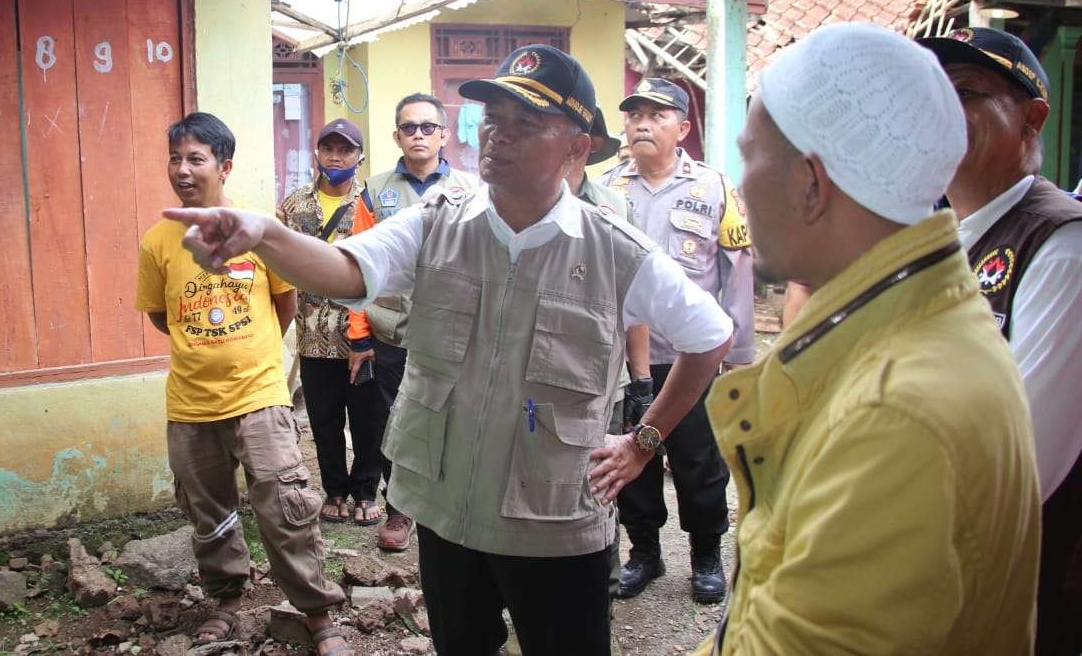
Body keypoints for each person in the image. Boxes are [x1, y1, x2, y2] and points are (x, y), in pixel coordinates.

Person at [163, 45, 735, 656]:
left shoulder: (613, 249)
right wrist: (268, 235)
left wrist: (645, 441)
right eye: (492, 120)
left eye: (524, 124)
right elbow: (345, 270)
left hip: (552, 520)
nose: (498, 136)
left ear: (577, 145)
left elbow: (711, 337)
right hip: (447, 510)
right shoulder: (439, 220)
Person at [695, 23, 1039, 655]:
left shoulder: (893, 411)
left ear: (811, 184)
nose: (739, 187)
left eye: (749, 157)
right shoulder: (910, 330)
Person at [135, 112, 349, 655]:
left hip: (258, 396)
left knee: (286, 505)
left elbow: (286, 302)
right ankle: (226, 601)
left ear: (223, 166)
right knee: (209, 513)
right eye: (175, 158)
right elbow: (163, 316)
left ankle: (320, 614)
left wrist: (248, 353)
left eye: (195, 158)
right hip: (190, 403)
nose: (182, 170)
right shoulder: (157, 241)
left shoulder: (254, 231)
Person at [916, 26, 1082, 655]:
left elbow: (1018, 468)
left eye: (966, 91)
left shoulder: (1060, 245)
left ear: (1031, 118)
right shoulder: (939, 241)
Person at [599, 78, 755, 603]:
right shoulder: (606, 189)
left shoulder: (714, 187)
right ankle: (645, 551)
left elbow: (737, 271)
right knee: (629, 455)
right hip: (625, 360)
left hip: (694, 357)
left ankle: (706, 553)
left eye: (657, 115)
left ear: (683, 128)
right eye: (635, 113)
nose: (642, 123)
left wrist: (739, 353)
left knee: (697, 458)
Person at [344, 92, 478, 551]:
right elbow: (358, 267)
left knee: (456, 418)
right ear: (396, 136)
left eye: (427, 127)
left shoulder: (472, 190)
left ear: (443, 134)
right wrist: (359, 339)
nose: (418, 135)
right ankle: (400, 509)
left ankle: (448, 505)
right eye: (408, 128)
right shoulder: (374, 191)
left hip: (454, 333)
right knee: (392, 422)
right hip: (391, 332)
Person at [277, 118, 382, 527]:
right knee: (324, 420)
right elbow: (279, 263)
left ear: (360, 156)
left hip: (363, 334)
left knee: (368, 420)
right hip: (313, 337)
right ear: (317, 153)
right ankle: (335, 490)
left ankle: (366, 491)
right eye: (328, 149)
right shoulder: (294, 205)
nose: (336, 157)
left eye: (346, 150)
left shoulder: (371, 203)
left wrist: (371, 330)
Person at [566, 108, 652, 599]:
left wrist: (641, 381)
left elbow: (634, 301)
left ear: (586, 146)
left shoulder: (614, 207)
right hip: (534, 380)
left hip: (602, 379)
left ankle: (601, 586)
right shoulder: (515, 204)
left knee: (598, 484)